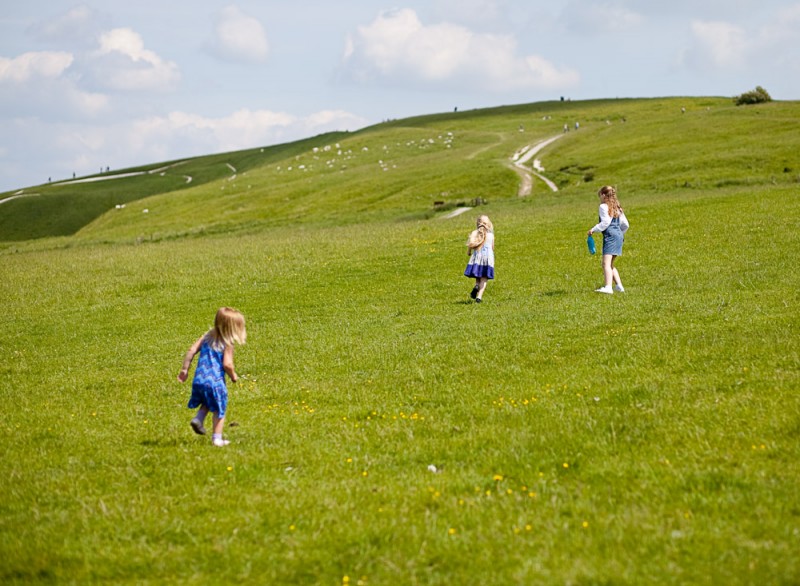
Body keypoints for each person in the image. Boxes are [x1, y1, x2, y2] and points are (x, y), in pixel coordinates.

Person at [177, 307, 247, 446]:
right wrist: (233, 376)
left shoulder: (207, 336)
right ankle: (217, 439)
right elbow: (227, 364)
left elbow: (191, 350)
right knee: (219, 408)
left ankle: (198, 418)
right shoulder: (227, 343)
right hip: (215, 381)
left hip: (199, 380)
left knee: (208, 400)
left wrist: (185, 369)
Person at [587, 186, 629, 294]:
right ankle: (619, 286)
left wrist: (593, 229)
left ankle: (608, 287)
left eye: (600, 195)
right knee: (610, 264)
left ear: (604, 195)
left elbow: (605, 222)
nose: (600, 198)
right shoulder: (617, 207)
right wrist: (620, 234)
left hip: (610, 236)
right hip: (619, 235)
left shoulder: (603, 206)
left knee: (605, 264)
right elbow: (625, 224)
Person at [464, 215, 495, 303]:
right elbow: (492, 248)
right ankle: (479, 297)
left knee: (478, 276)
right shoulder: (490, 235)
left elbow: (470, 244)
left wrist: (469, 252)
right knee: (484, 278)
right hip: (487, 259)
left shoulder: (475, 233)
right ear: (488, 224)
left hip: (477, 258)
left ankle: (476, 285)